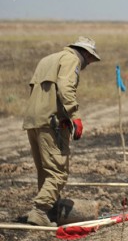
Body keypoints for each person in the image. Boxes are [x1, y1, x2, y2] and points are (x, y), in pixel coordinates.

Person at [22, 36, 101, 226]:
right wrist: (74, 115)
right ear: (85, 53)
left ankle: (48, 211)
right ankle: (40, 210)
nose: (89, 63)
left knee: (46, 171)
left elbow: (40, 92)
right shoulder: (72, 59)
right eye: (91, 58)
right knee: (58, 172)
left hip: (34, 121)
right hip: (51, 123)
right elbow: (66, 88)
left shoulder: (48, 59)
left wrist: (63, 115)